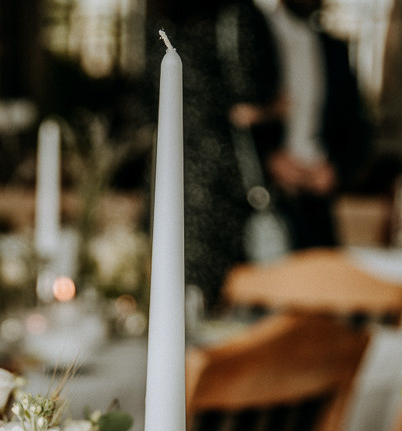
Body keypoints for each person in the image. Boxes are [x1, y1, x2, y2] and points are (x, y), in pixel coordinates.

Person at [144, 0, 279, 306]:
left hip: (167, 172)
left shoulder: (159, 21)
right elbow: (249, 92)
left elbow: (145, 100)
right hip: (221, 176)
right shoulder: (238, 16)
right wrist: (275, 110)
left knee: (173, 284)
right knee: (225, 296)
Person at [253, 0, 372, 249]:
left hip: (317, 204)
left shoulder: (334, 49)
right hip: (261, 197)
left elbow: (358, 131)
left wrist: (335, 170)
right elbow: (233, 114)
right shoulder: (253, 37)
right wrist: (267, 160)